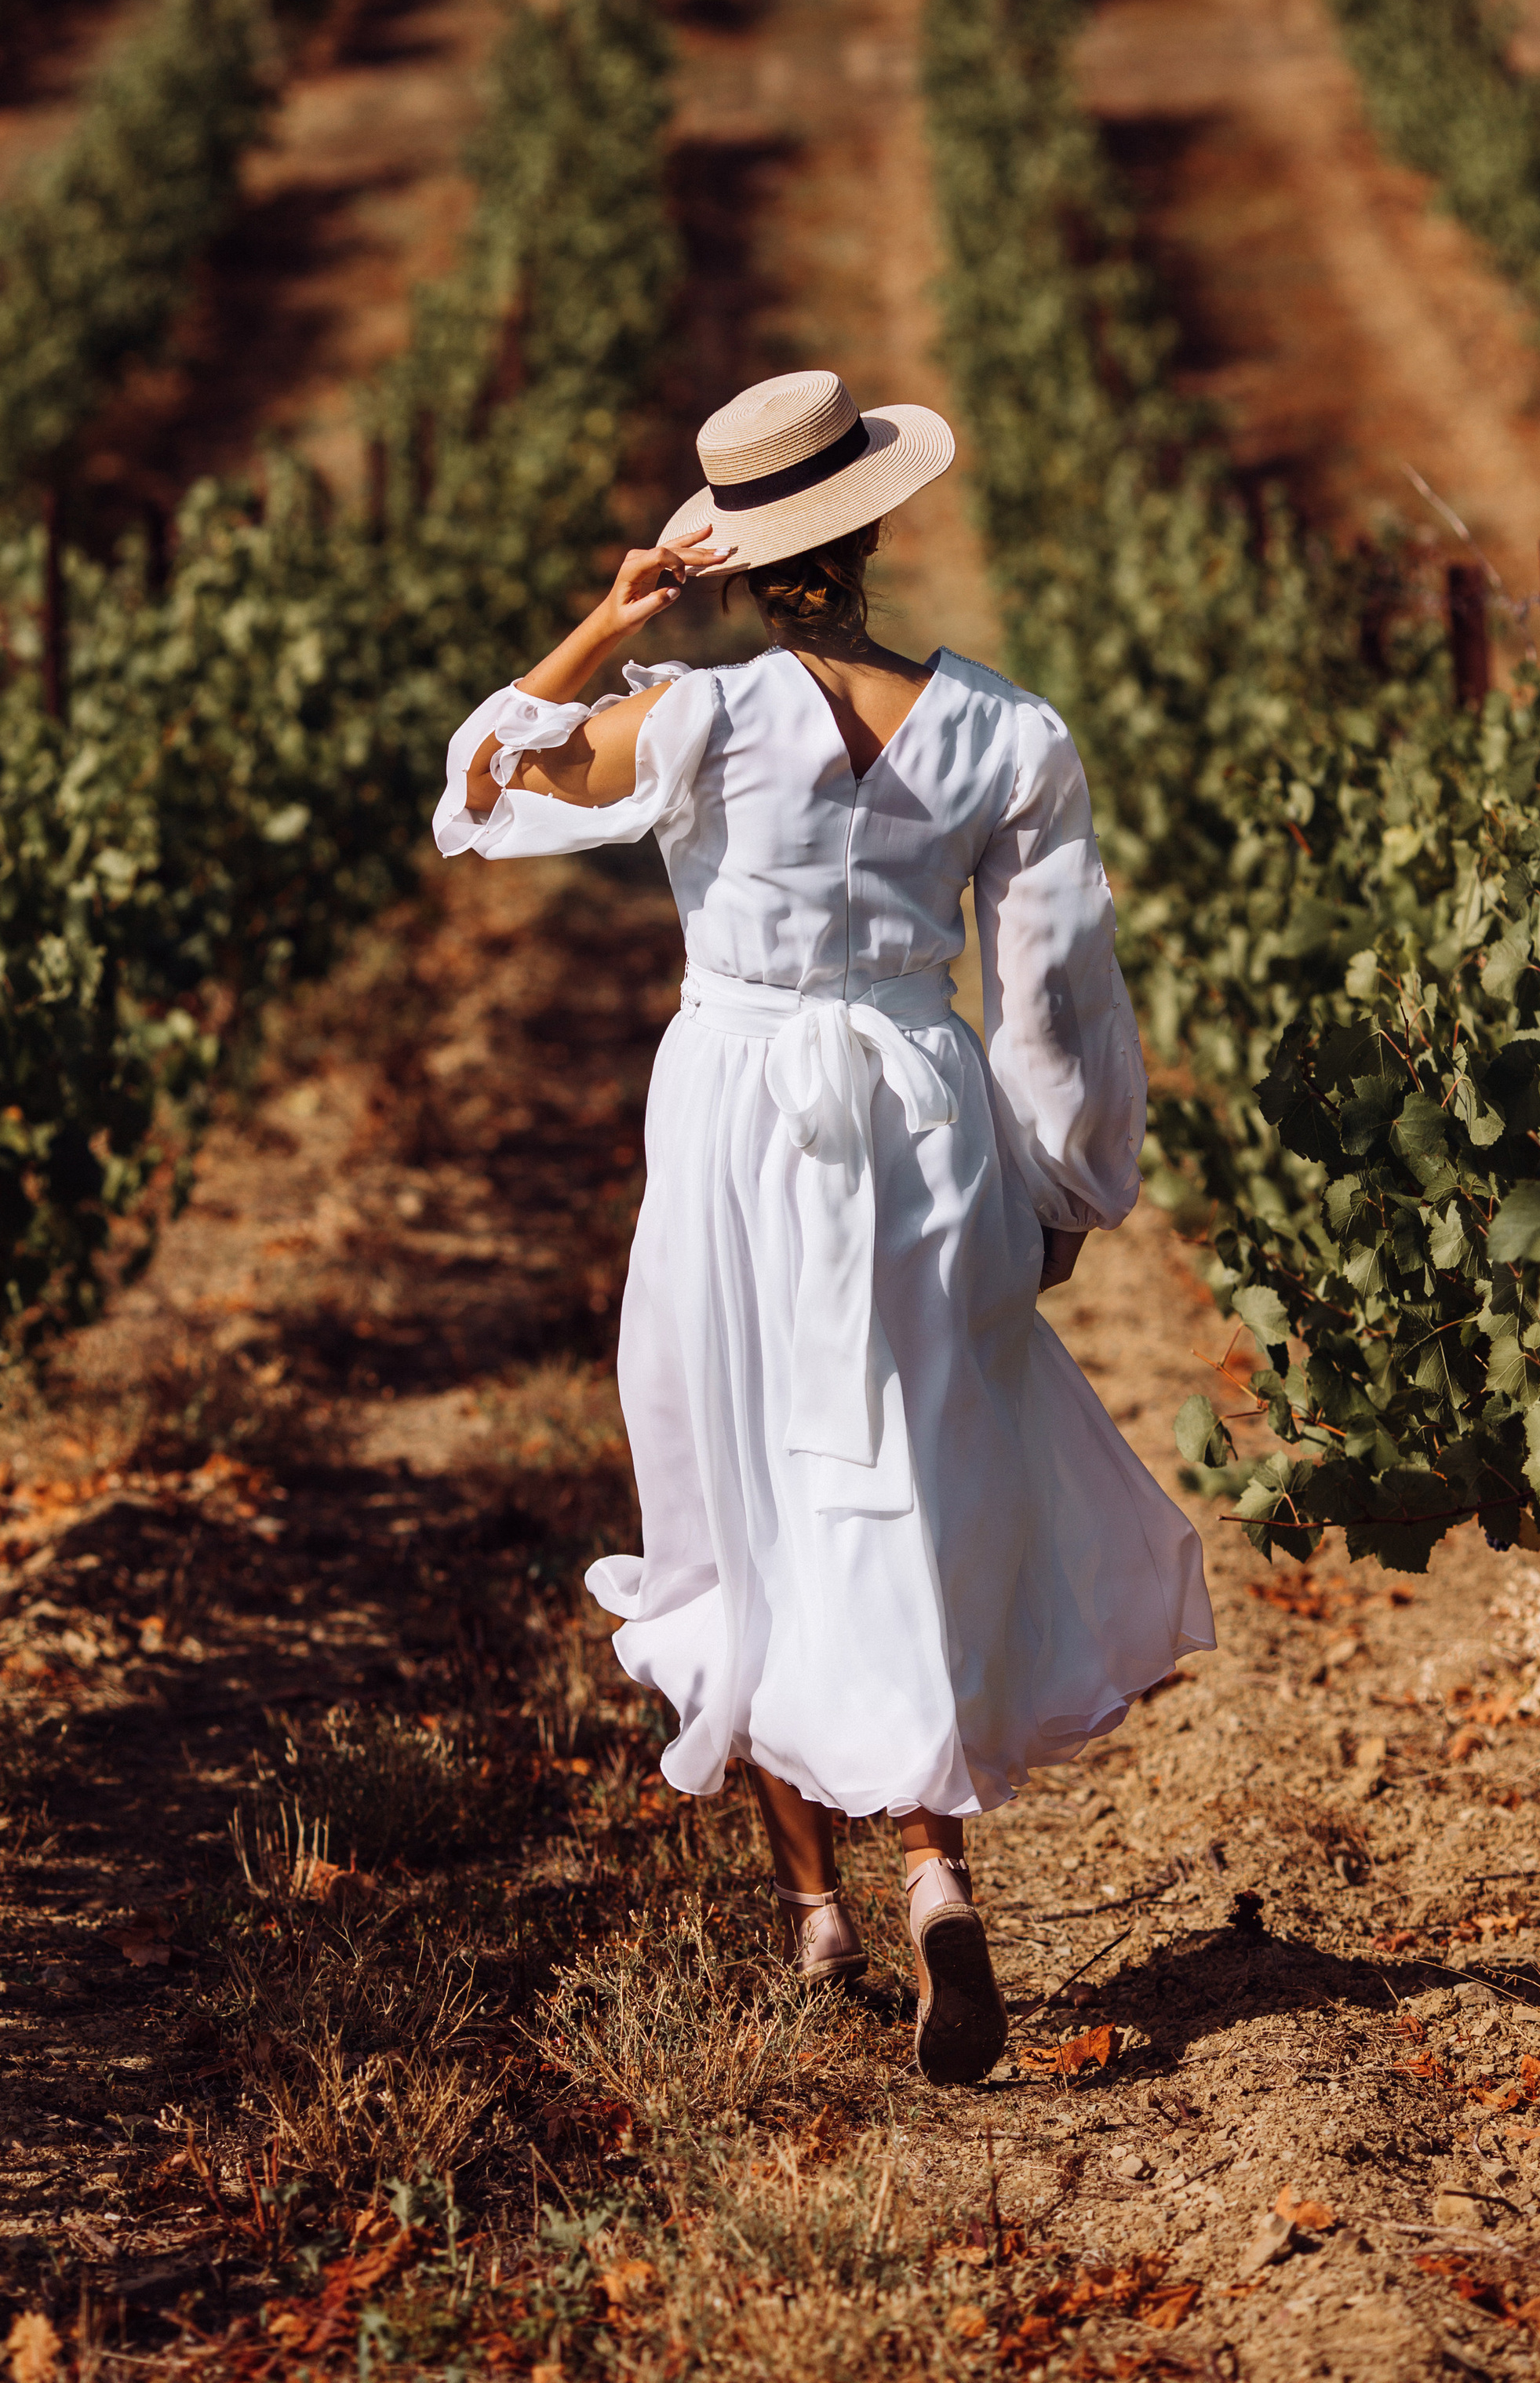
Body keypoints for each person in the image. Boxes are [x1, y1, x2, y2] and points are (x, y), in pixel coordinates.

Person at [435, 370, 1214, 2084]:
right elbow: (1054, 994)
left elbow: (482, 784)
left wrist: (607, 615)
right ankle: (934, 1865)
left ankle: (817, 1915)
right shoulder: (1006, 731)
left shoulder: (699, 719)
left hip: (737, 1109)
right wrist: (1062, 1189)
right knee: (905, 1486)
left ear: (732, 555)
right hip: (920, 1109)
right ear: (866, 526)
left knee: (737, 1485)